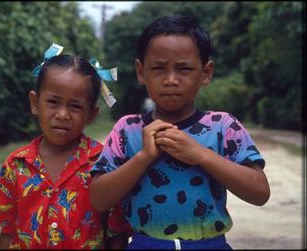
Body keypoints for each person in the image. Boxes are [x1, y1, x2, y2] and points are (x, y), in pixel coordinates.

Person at [89, 15, 271, 249]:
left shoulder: (223, 126)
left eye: (184, 68)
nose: (171, 80)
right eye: (158, 68)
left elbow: (259, 192)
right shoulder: (127, 130)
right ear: (141, 71)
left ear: (206, 73)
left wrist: (200, 154)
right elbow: (99, 200)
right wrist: (143, 157)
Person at [0, 44, 130, 249]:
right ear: (35, 102)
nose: (62, 114)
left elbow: (117, 233)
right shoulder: (16, 165)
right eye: (53, 102)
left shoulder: (104, 163)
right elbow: (7, 231)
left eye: (75, 106)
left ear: (91, 114)